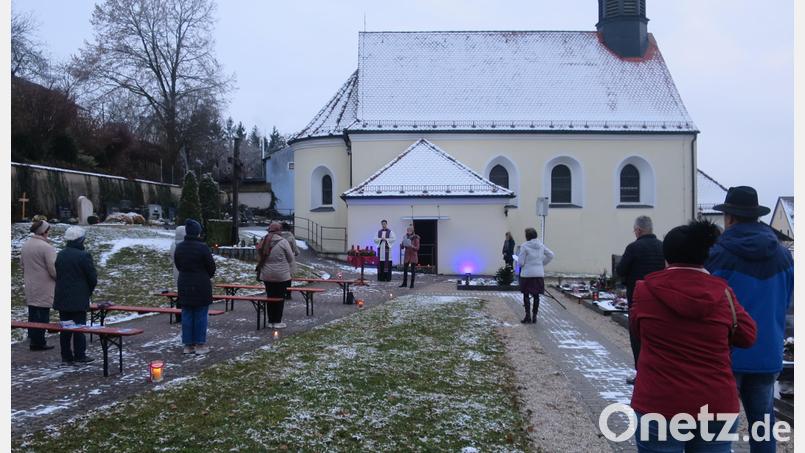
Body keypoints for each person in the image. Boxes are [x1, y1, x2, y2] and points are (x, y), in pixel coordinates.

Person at [630, 220, 757, 452]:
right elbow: (748, 336)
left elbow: (638, 331)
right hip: (715, 402)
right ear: (704, 256)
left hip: (659, 401)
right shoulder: (723, 294)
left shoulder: (644, 291)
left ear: (666, 256)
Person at [705, 186, 794, 453]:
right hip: (767, 353)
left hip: (727, 354)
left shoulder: (718, 254)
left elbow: (706, 303)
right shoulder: (783, 255)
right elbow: (787, 300)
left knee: (718, 432)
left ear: (729, 218)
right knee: (763, 427)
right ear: (756, 216)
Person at [615, 215, 665, 384]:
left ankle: (641, 373)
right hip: (659, 299)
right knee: (657, 338)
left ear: (638, 230)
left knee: (637, 337)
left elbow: (621, 269)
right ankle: (657, 373)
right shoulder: (662, 247)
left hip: (638, 299)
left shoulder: (633, 247)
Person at [53, 226, 97, 364]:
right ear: (80, 240)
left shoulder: (61, 254)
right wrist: (87, 291)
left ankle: (66, 356)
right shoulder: (84, 256)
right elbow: (92, 278)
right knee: (79, 328)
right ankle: (80, 355)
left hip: (62, 297)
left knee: (65, 328)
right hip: (78, 298)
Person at [174, 219, 216, 355]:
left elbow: (178, 264)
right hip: (201, 284)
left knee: (186, 314)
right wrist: (204, 275)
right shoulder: (202, 247)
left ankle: (188, 345)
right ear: (198, 232)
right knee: (200, 315)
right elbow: (211, 267)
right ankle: (199, 344)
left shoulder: (180, 247)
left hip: (184, 283)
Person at [20, 220, 57, 351]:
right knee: (42, 314)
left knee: (33, 313)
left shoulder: (26, 245)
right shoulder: (46, 247)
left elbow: (22, 266)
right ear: (44, 231)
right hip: (44, 285)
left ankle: (33, 339)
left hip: (30, 284)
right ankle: (39, 342)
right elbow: (53, 269)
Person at [257, 222, 296, 329]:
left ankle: (270, 321)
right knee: (279, 298)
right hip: (281, 275)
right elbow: (290, 258)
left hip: (266, 275)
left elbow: (259, 255)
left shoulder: (263, 240)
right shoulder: (283, 242)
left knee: (270, 297)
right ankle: (277, 321)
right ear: (279, 230)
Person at [516, 227, 554, 323]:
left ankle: (527, 316)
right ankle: (535, 316)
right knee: (536, 296)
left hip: (527, 274)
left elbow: (520, 262)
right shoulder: (541, 245)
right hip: (538, 274)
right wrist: (542, 263)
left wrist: (521, 263)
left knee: (526, 295)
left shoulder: (524, 246)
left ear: (527, 236)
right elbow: (551, 255)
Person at [169, 225, 186, 323]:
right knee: (184, 296)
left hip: (176, 271)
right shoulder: (185, 245)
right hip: (184, 272)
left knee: (180, 294)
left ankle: (178, 316)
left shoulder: (173, 244)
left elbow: (171, 256)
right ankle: (182, 316)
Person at [279, 222, 300, 299]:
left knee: (281, 277)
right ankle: (288, 294)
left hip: (280, 259)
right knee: (288, 278)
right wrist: (297, 253)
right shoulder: (290, 236)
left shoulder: (278, 236)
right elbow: (295, 248)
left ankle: (281, 292)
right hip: (289, 259)